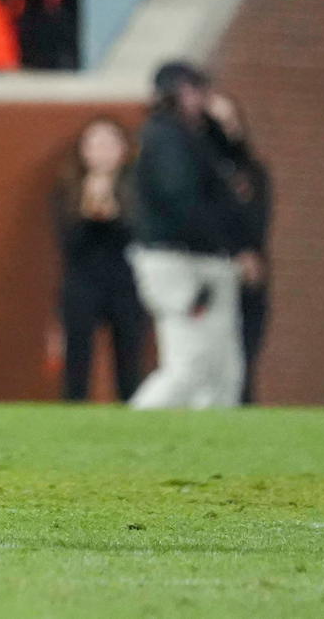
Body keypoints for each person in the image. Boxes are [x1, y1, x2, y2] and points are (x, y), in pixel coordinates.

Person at [128, 62, 247, 410]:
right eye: (194, 89)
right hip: (181, 262)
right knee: (190, 364)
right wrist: (227, 241)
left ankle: (216, 444)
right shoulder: (166, 136)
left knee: (223, 368)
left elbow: (238, 166)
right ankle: (132, 428)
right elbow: (181, 200)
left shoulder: (198, 135)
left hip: (200, 258)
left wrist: (227, 129)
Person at [54, 117, 145, 402]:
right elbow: (68, 243)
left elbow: (138, 235)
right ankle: (72, 415)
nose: (102, 152)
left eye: (109, 144)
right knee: (77, 360)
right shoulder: (67, 189)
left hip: (126, 281)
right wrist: (88, 209)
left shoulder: (137, 189)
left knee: (130, 362)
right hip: (82, 282)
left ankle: (132, 415)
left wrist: (114, 210)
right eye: (94, 144)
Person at [207, 90, 272, 403]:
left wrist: (249, 255)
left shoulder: (253, 172)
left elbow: (259, 220)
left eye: (230, 121)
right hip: (207, 273)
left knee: (243, 361)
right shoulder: (195, 172)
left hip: (247, 278)